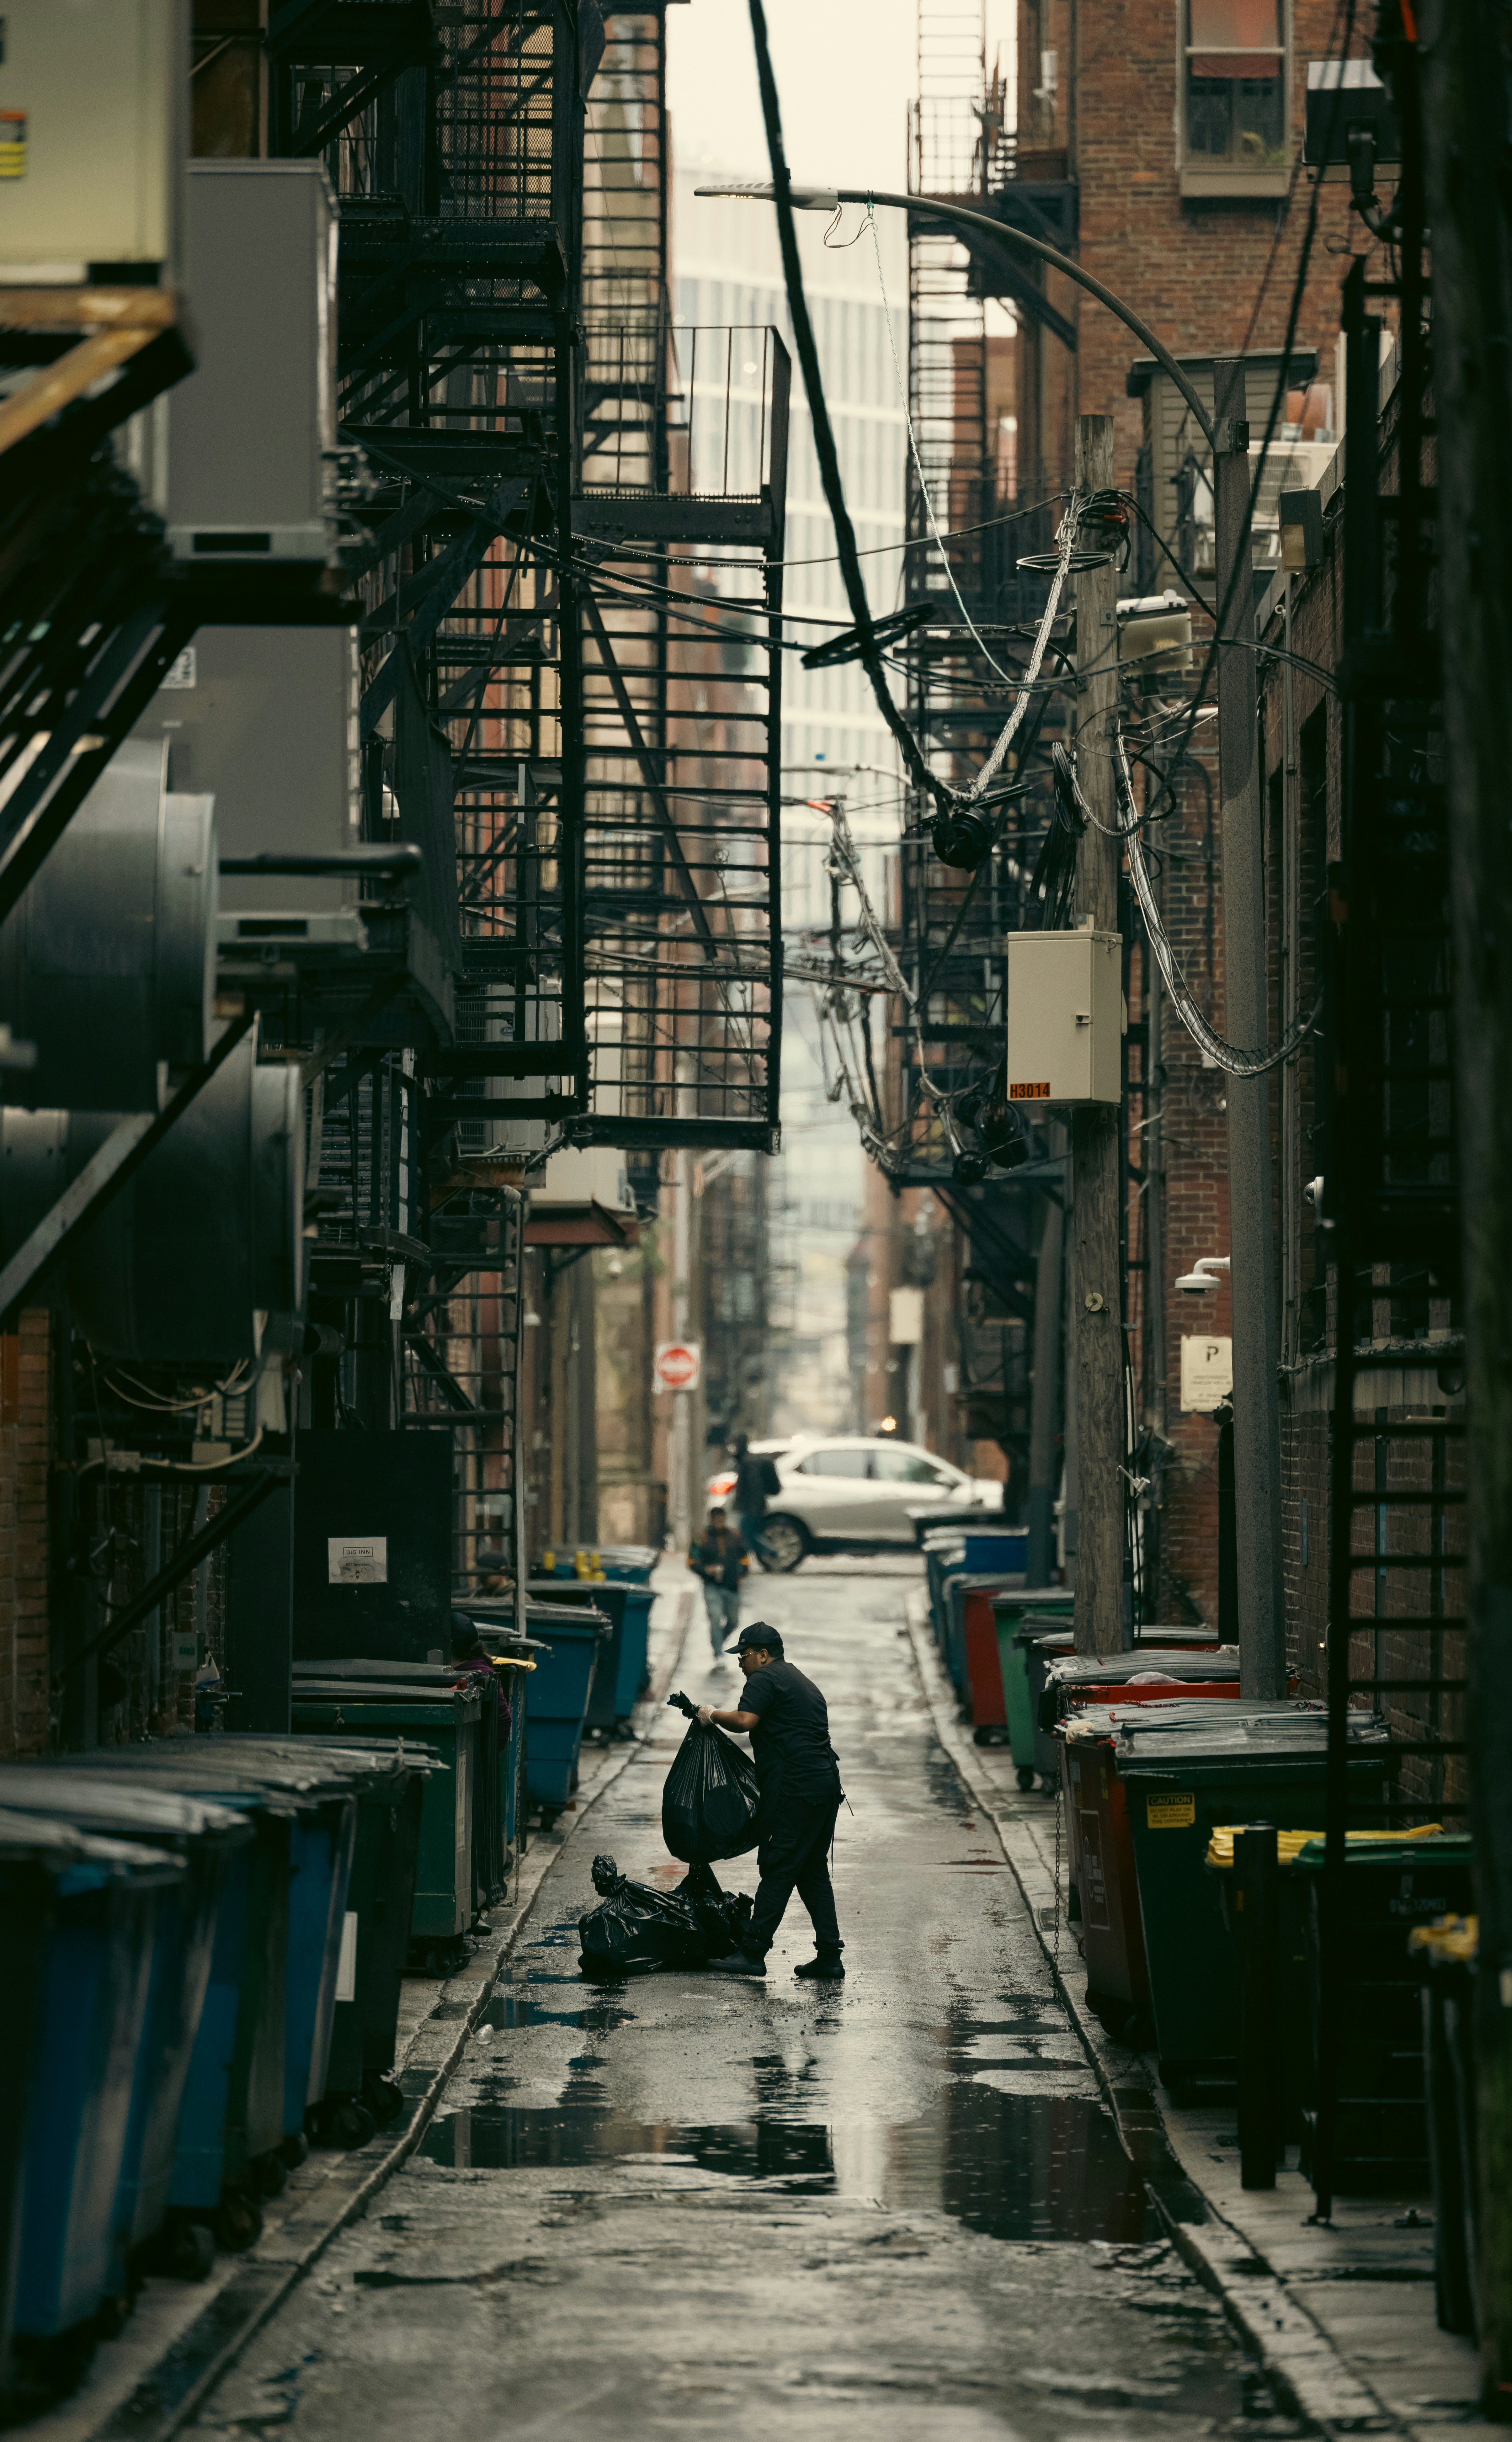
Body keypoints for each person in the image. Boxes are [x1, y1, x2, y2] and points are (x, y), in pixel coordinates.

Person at [698, 1622, 845, 1981]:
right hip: (823, 1788)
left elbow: (746, 1721)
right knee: (811, 1872)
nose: (740, 1663)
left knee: (779, 1867)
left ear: (763, 1655)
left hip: (796, 1790)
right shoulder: (797, 1678)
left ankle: (752, 1952)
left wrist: (711, 1715)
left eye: (744, 1655)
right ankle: (829, 1956)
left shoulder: (764, 1678)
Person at [688, 1504, 747, 1659]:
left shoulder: (734, 1536)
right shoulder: (702, 1538)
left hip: (732, 1586)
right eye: (716, 1520)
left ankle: (719, 1639)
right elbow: (692, 1562)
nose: (719, 1523)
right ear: (711, 1520)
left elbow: (744, 1557)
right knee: (715, 1616)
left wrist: (741, 1573)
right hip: (712, 1586)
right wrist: (706, 1570)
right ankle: (718, 1652)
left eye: (722, 1520)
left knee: (734, 1621)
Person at [731, 1432, 781, 1566]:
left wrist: (753, 1507)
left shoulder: (749, 1464)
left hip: (750, 1508)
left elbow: (755, 1487)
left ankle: (771, 1552)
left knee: (747, 1536)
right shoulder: (746, 1462)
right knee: (749, 1535)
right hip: (752, 1507)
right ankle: (745, 1561)